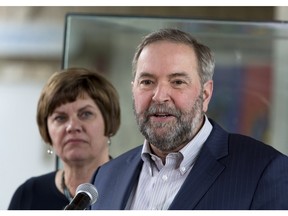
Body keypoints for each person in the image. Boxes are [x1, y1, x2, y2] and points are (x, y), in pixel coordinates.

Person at [90, 28, 288, 210]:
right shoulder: (105, 178)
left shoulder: (263, 171)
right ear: (133, 90)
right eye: (147, 82)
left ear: (206, 95)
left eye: (177, 82)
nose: (159, 96)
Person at [8, 67, 121, 210]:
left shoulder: (132, 189)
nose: (72, 126)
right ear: (47, 130)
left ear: (109, 121)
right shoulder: (28, 195)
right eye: (60, 118)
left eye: (85, 114)